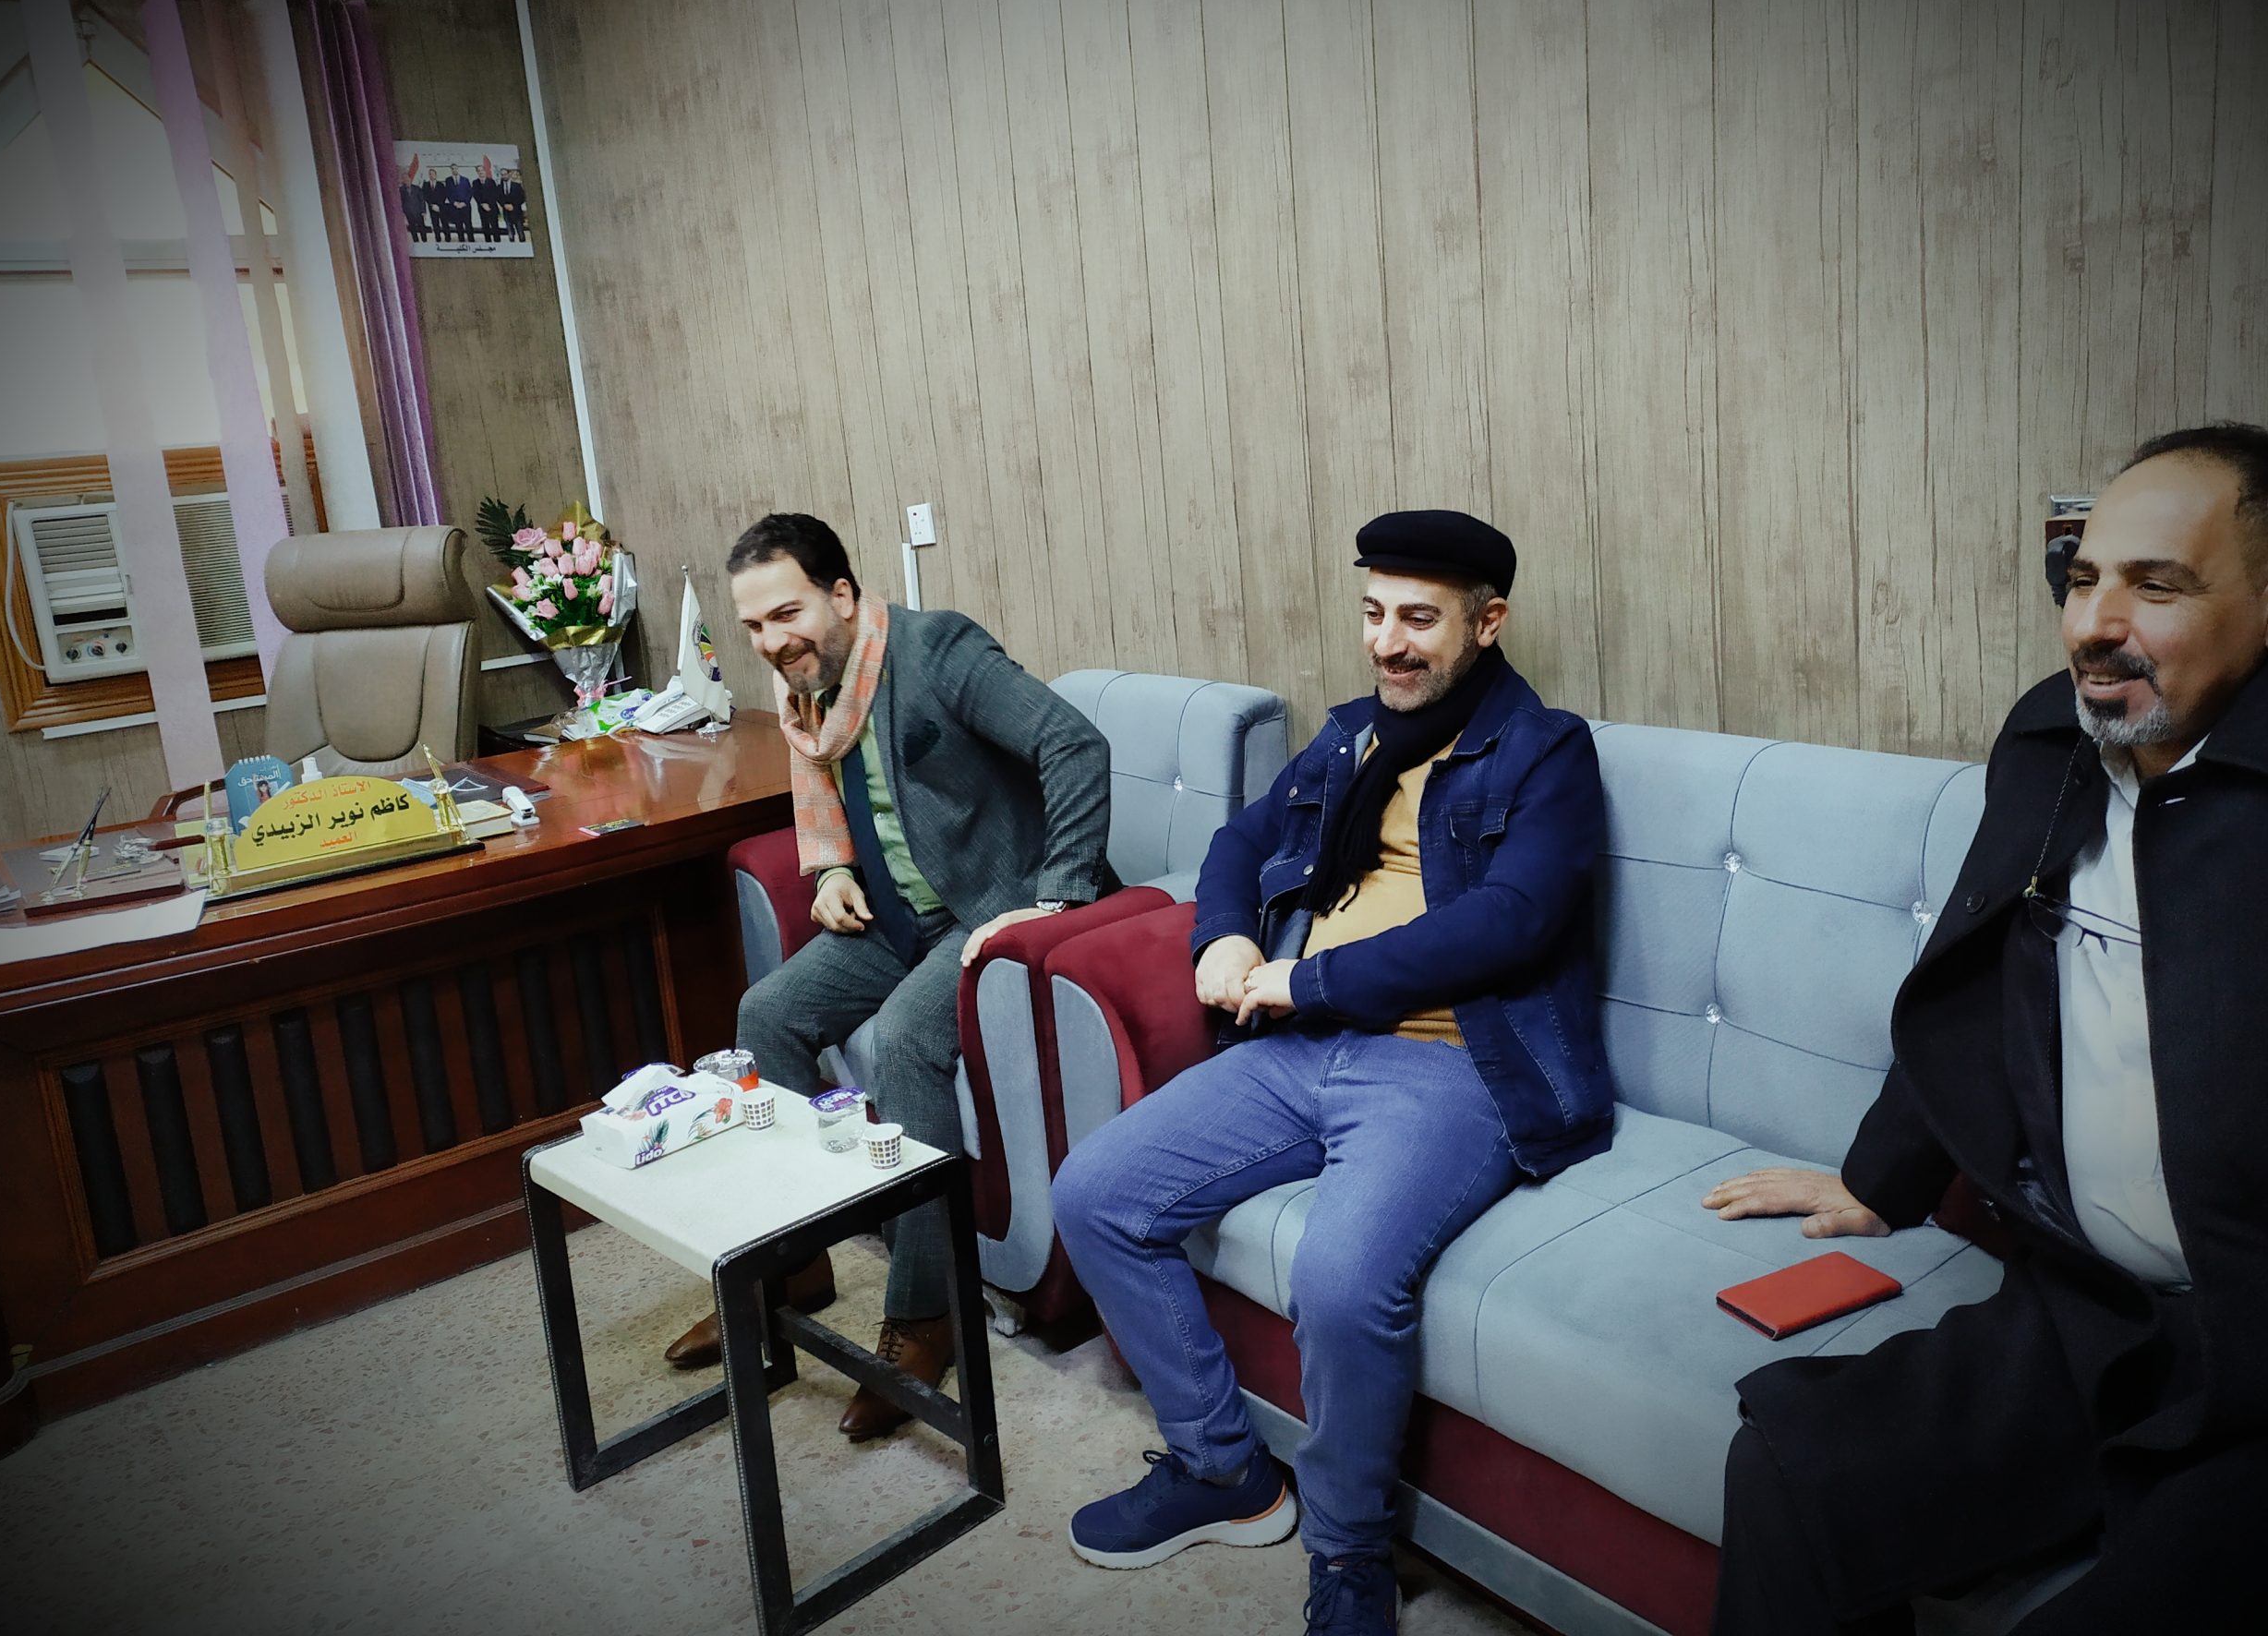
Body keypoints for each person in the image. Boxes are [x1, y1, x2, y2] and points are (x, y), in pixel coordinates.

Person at [1702, 423, 2268, 1633]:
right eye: (2082, 578)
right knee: (1793, 1468)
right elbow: (1976, 964)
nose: (2094, 623)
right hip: (2087, 1310)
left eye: (2156, 586)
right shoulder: (2055, 735)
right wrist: (1880, 1180)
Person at [1053, 511, 1609, 1636]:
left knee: (1344, 1280)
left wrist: (1308, 980)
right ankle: (1222, 1469)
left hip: (1448, 1060)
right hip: (1301, 1045)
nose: (1385, 642)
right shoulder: (1351, 736)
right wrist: (1221, 935)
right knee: (1094, 1193)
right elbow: (1238, 844)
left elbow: (1512, 919)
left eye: (1418, 619)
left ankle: (1349, 1548)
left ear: (1487, 623)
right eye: (1372, 613)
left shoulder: (1546, 750)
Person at [661, 512, 1116, 1440]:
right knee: (767, 1013)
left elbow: (1074, 746)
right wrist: (831, 871)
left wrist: (1059, 894)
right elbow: (846, 806)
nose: (771, 642)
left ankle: (925, 1312)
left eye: (787, 614)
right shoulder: (810, 698)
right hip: (900, 913)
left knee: (908, 1037)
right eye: (753, 626)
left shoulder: (936, 650)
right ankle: (792, 1264)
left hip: (991, 905)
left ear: (841, 595)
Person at [501, 170, 528, 243]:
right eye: (502, 175)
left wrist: (514, 206)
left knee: (520, 231)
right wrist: (504, 205)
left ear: (509, 174)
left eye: (505, 174)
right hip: (506, 212)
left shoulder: (517, 186)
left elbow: (522, 197)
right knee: (510, 232)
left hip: (516, 212)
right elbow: (499, 197)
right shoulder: (500, 187)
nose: (504, 176)